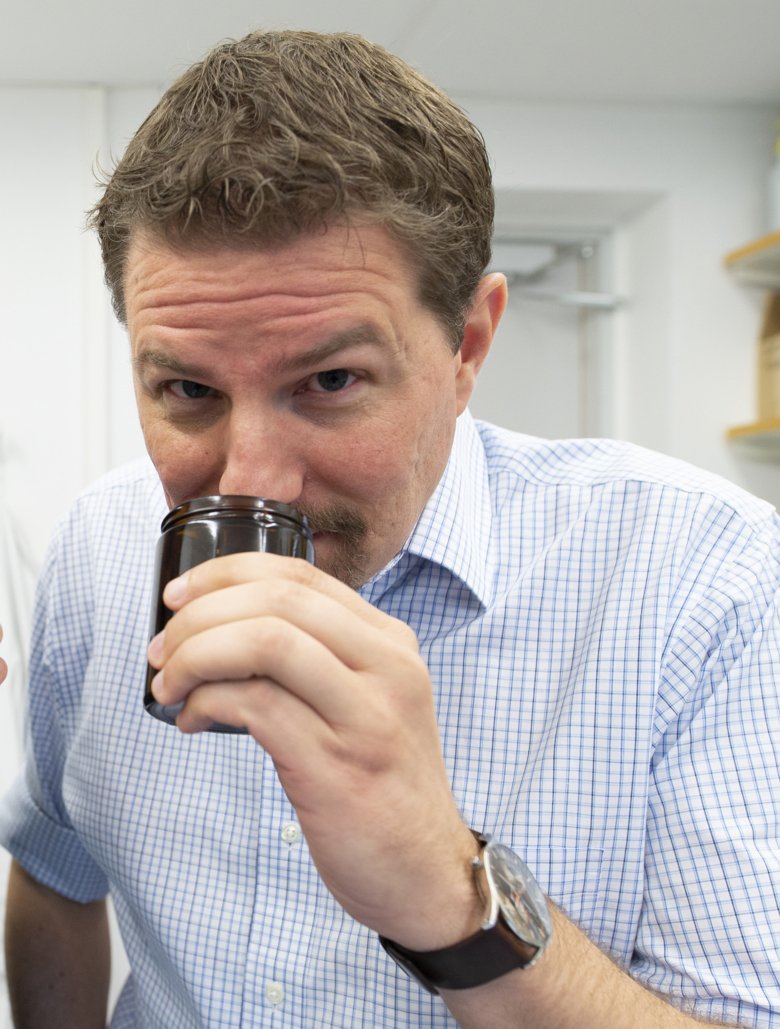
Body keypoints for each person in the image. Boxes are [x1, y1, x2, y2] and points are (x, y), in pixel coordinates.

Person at [1, 29, 778, 1029]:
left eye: (329, 382)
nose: (253, 483)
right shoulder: (95, 549)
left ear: (469, 345)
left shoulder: (709, 581)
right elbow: (56, 872)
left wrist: (449, 894)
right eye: (187, 390)